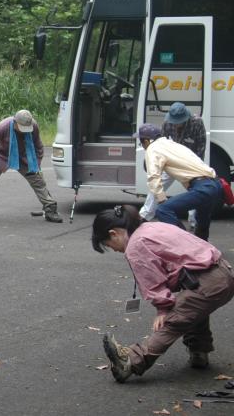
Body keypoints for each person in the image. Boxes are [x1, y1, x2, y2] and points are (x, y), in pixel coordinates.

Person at [91, 205, 234, 383]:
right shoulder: (151, 227)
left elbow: (153, 282)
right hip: (222, 272)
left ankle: (131, 361)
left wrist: (163, 310)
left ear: (114, 233)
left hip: (207, 282)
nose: (113, 249)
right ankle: (199, 352)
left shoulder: (136, 245)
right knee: (194, 309)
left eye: (108, 245)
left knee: (174, 320)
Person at [0, 110, 62, 223]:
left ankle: (50, 209)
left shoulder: (33, 125)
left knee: (38, 180)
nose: (25, 131)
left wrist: (37, 165)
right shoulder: (4, 126)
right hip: (2, 155)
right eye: (22, 127)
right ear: (15, 122)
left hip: (24, 156)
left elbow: (38, 146)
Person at [136, 123, 221, 240]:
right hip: (215, 184)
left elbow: (153, 177)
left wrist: (161, 199)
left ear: (146, 141)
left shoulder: (153, 148)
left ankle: (187, 242)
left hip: (202, 187)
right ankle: (203, 249)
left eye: (142, 142)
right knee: (202, 224)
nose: (143, 145)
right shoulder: (172, 144)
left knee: (163, 210)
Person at [140, 102, 206, 229]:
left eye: (179, 122)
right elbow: (161, 143)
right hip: (171, 161)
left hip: (189, 163)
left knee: (195, 191)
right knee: (156, 185)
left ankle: (194, 222)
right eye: (174, 122)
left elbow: (201, 147)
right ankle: (144, 216)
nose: (176, 125)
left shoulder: (197, 123)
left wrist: (197, 168)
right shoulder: (167, 123)